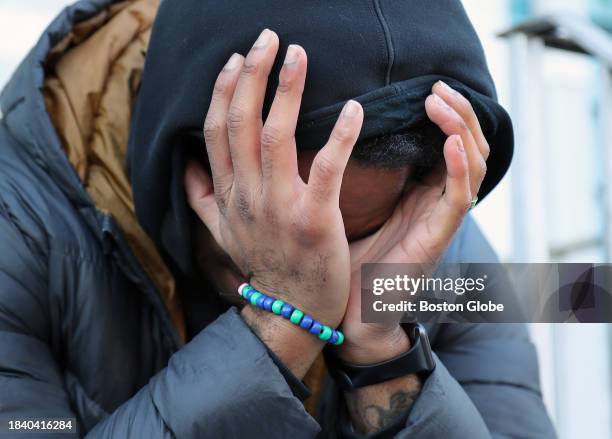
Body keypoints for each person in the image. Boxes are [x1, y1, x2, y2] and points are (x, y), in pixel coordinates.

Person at [0, 0, 555, 437]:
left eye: (350, 235)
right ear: (186, 157)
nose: (323, 269)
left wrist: (384, 356)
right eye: (275, 227)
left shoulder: (427, 239)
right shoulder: (18, 226)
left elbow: (579, 298)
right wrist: (282, 321)